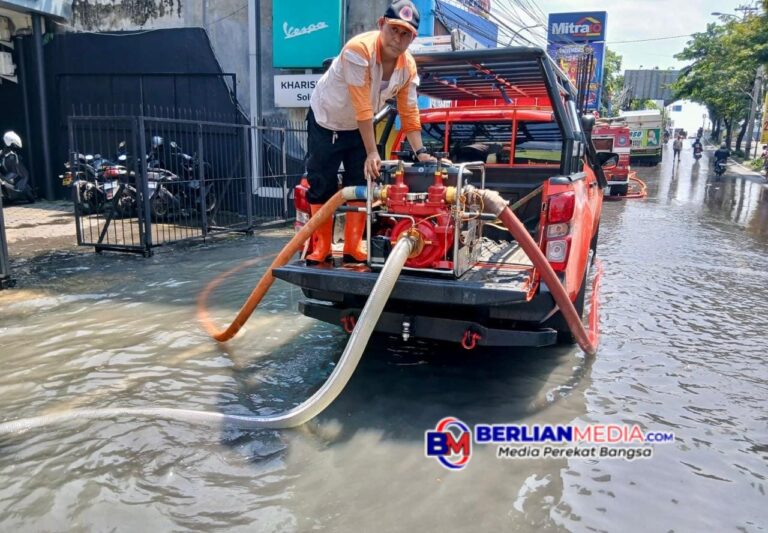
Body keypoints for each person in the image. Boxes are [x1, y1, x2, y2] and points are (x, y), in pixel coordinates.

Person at [304, 0, 437, 265]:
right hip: (326, 121)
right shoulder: (359, 50)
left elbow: (409, 111)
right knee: (321, 184)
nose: (397, 39)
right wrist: (372, 151)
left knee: (360, 183)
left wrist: (420, 152)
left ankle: (353, 246)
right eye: (394, 30)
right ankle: (322, 247)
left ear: (413, 38)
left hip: (357, 126)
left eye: (405, 34)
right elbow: (362, 104)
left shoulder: (408, 67)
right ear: (381, 25)